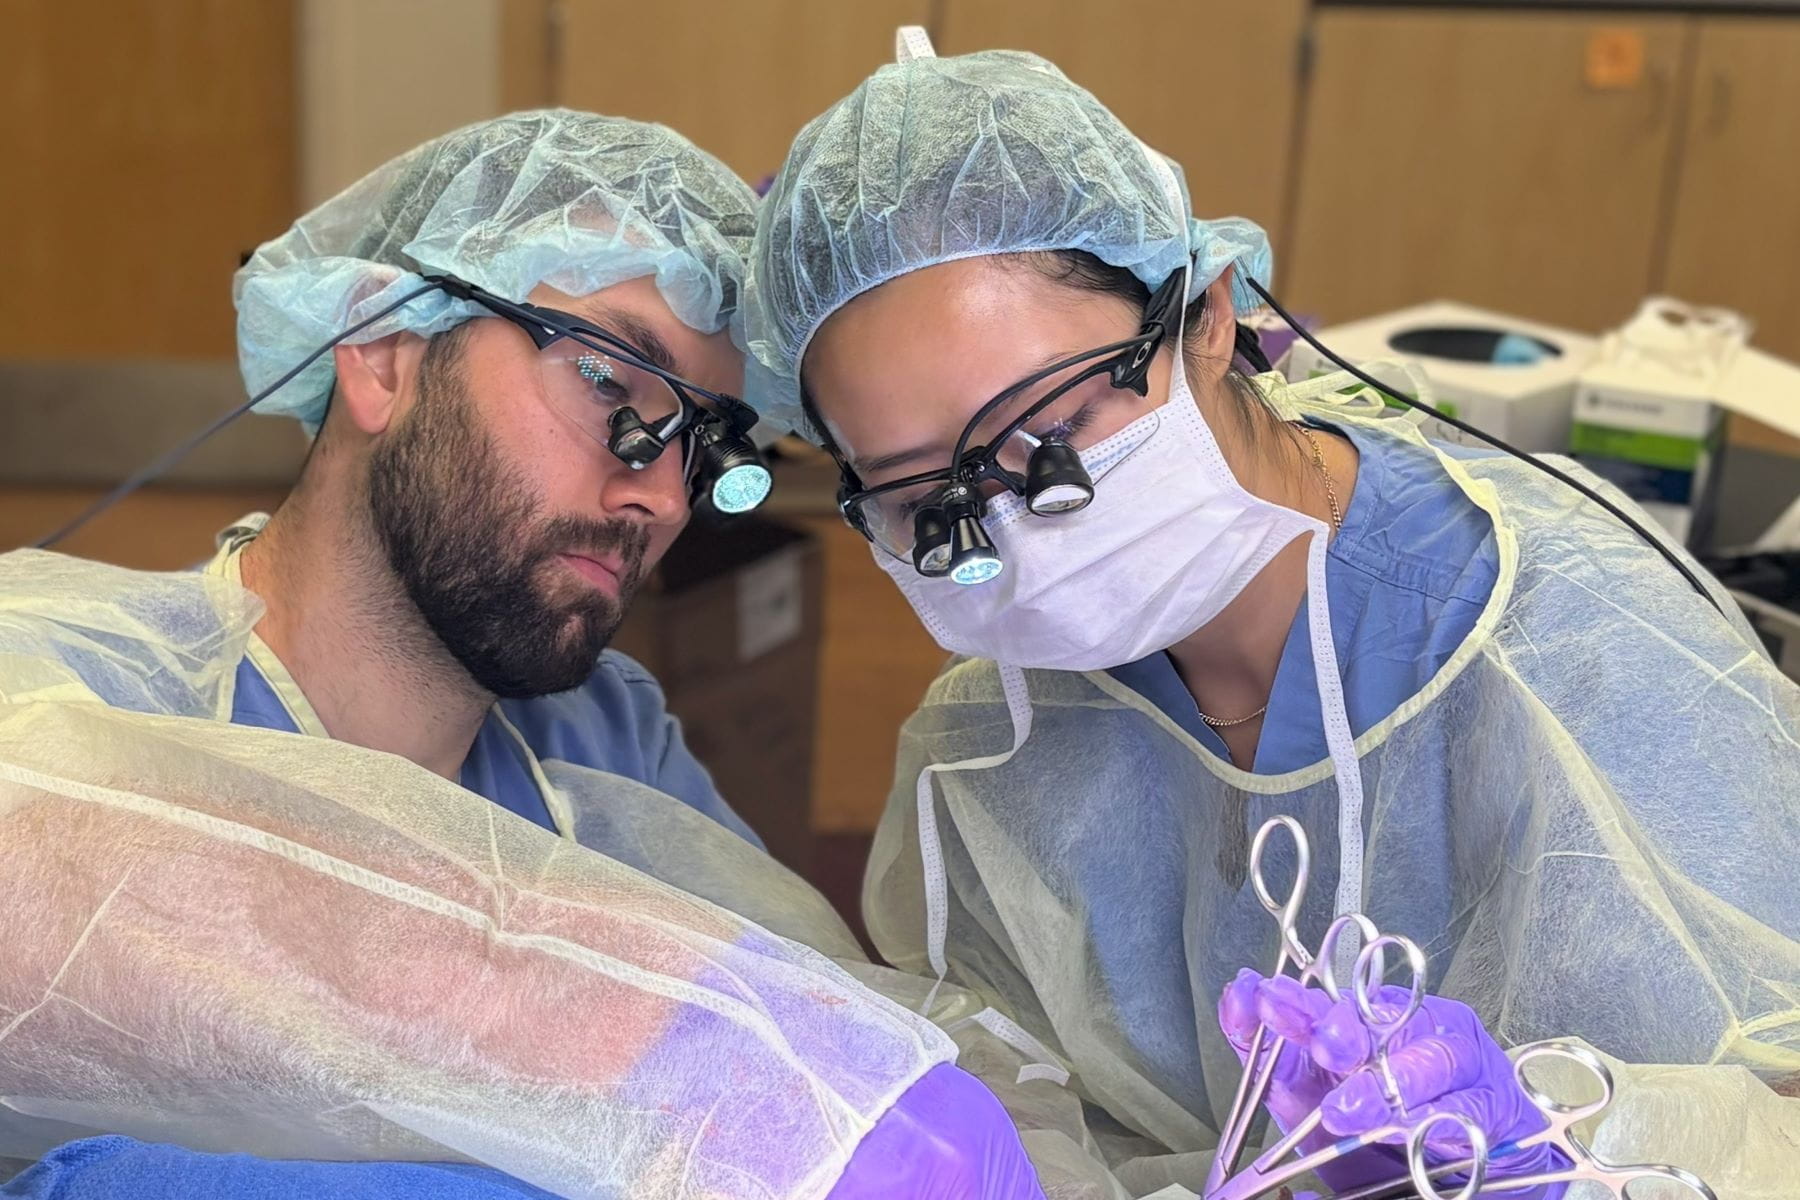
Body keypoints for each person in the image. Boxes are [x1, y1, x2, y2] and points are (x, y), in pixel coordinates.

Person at [744, 34, 1800, 1196]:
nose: (1012, 530)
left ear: (1205, 318)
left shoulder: (1578, 643)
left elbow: (1772, 1117)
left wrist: (1563, 1156)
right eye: (924, 498)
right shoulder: (988, 747)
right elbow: (1013, 1103)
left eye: (1046, 440)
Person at [0, 109, 1040, 1199]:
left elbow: (823, 1038)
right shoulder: (80, 678)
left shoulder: (605, 746)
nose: (662, 495)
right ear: (383, 351)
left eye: (705, 444)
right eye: (609, 386)